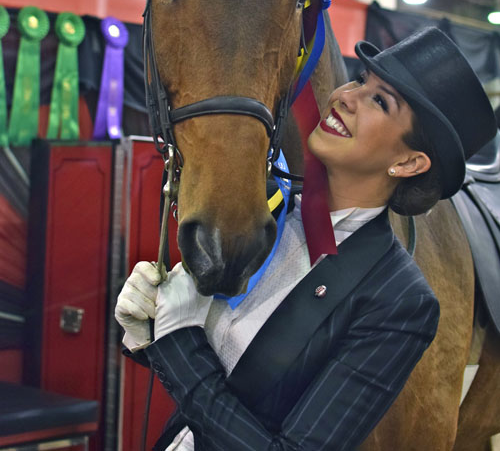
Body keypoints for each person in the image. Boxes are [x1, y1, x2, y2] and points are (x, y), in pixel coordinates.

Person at [116, 27, 497, 451]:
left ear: (408, 162)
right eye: (360, 79)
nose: (346, 96)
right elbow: (219, 356)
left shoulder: (399, 301)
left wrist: (175, 342)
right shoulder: (266, 207)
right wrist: (147, 324)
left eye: (379, 101)